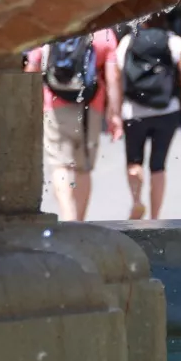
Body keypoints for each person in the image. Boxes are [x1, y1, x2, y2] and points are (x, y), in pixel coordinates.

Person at [25, 29, 122, 222]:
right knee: (82, 167)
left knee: (60, 165)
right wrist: (115, 113)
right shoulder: (104, 33)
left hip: (53, 105)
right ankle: (79, 221)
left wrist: (27, 105)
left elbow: (33, 67)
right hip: (90, 108)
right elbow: (113, 77)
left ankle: (67, 215)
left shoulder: (53, 26)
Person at [116, 16, 181, 220]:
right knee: (158, 164)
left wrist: (114, 111)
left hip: (134, 111)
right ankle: (155, 217)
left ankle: (137, 201)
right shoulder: (173, 41)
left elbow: (117, 77)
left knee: (134, 161)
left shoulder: (128, 41)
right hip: (167, 110)